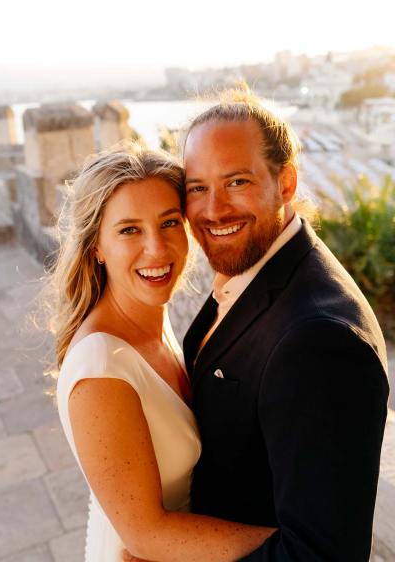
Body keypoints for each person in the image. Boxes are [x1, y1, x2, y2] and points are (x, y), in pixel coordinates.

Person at [179, 88, 389, 561]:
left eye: (236, 181)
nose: (213, 209)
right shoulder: (251, 271)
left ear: (286, 183)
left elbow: (318, 555)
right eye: (197, 187)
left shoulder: (319, 342)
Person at [53, 144, 276, 562]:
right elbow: (145, 534)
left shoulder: (155, 318)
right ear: (95, 246)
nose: (156, 249)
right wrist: (297, 549)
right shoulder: (101, 367)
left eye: (169, 222)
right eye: (129, 230)